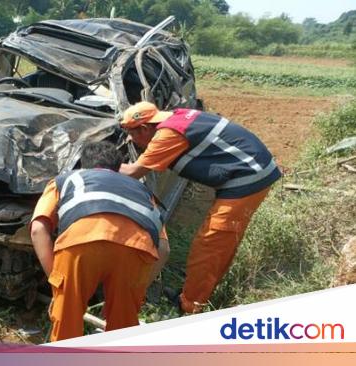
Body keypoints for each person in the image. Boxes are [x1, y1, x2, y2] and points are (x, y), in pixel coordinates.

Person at [119, 101, 282, 314]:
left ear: (144, 128)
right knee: (221, 244)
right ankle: (201, 292)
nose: (129, 140)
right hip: (253, 168)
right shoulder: (178, 117)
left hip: (248, 178)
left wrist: (100, 165)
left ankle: (190, 306)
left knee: (210, 244)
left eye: (131, 133)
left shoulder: (167, 136)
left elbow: (133, 172)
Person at [30, 141, 166, 342]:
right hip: (137, 247)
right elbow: (163, 249)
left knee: (67, 321)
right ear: (118, 168)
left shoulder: (64, 180)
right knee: (123, 327)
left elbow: (38, 229)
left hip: (79, 242)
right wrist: (135, 288)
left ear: (83, 165)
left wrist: (57, 282)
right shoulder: (143, 191)